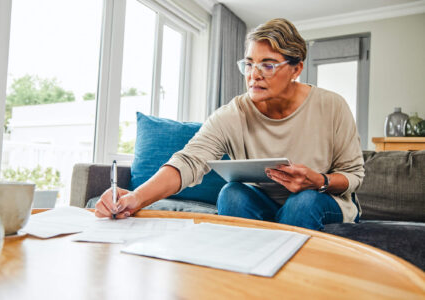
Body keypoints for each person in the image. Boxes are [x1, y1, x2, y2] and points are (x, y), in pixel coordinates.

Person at [95, 18, 364, 230]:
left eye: (267, 65)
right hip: (264, 202)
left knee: (302, 202)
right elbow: (189, 161)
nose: (253, 75)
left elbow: (353, 176)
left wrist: (318, 180)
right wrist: (135, 198)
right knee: (232, 193)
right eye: (249, 64)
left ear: (296, 69)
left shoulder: (332, 106)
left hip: (322, 201)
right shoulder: (234, 113)